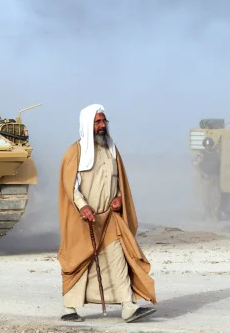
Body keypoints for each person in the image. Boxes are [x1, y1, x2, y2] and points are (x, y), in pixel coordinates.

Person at [57, 104, 157, 323]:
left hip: (110, 218)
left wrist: (119, 197)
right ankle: (69, 308)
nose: (102, 126)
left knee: (118, 257)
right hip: (84, 218)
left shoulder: (112, 150)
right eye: (97, 122)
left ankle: (128, 306)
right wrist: (82, 207)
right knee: (78, 260)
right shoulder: (75, 152)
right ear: (87, 124)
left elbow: (120, 181)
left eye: (104, 121)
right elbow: (70, 187)